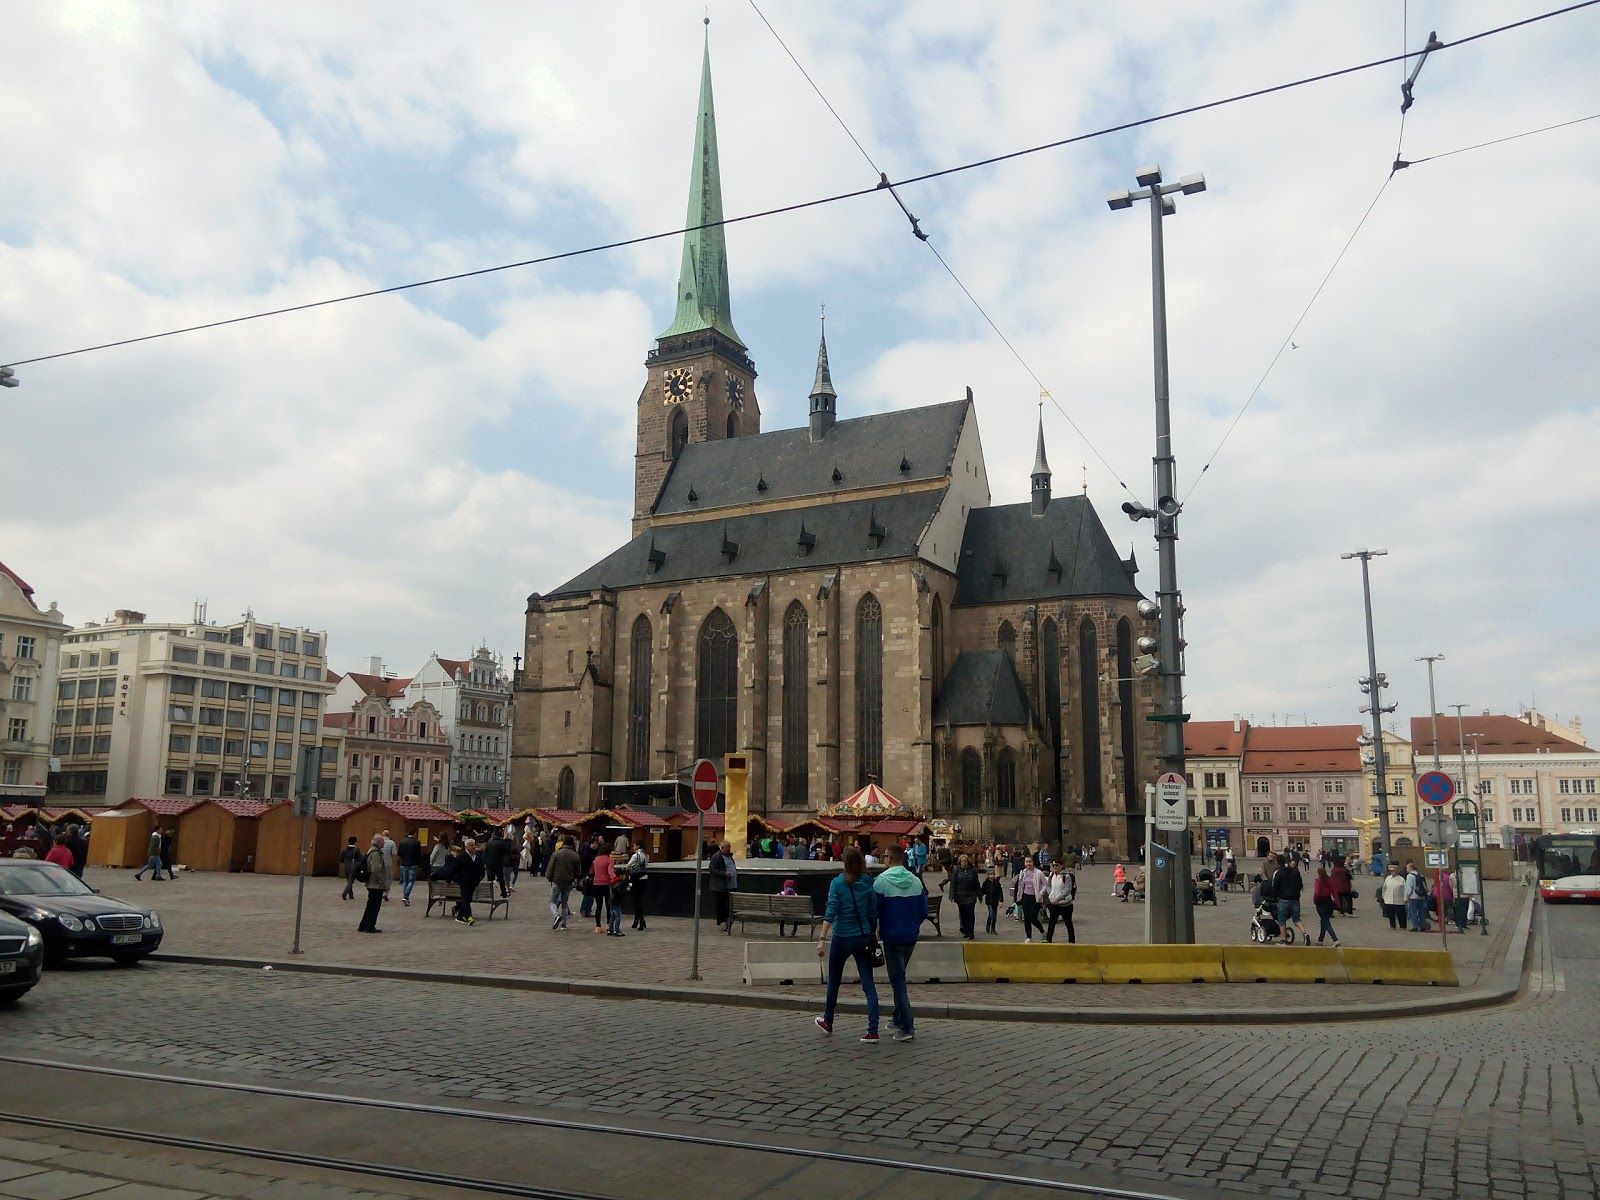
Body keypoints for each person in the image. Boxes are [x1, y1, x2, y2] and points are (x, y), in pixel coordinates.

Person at [815, 846, 880, 1043]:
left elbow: (831, 910)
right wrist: (871, 931)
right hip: (862, 937)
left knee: (834, 981)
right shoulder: (869, 882)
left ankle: (828, 1020)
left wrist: (822, 938)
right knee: (868, 983)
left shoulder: (837, 883)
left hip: (842, 936)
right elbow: (872, 912)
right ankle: (873, 1029)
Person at [873, 846, 928, 1043]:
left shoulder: (881, 881)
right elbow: (923, 910)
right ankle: (897, 1018)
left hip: (891, 936)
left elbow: (874, 910)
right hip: (910, 936)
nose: (883, 858)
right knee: (899, 976)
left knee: (898, 981)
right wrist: (912, 924)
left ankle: (907, 1026)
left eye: (885, 855)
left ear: (890, 858)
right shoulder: (915, 880)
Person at [546, 836, 581, 930]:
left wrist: (549, 877)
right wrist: (575, 879)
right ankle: (564, 924)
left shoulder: (557, 853)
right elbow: (578, 871)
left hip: (557, 880)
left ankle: (556, 915)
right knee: (564, 903)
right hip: (569, 881)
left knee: (552, 901)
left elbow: (550, 867)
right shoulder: (575, 855)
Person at [1273, 853, 1309, 945]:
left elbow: (1275, 887)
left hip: (1284, 899)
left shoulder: (1279, 873)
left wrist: (1275, 896)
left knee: (1281, 920)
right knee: (1297, 919)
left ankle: (1284, 940)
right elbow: (1300, 884)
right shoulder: (1295, 872)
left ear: (1277, 863)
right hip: (1295, 899)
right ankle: (1305, 934)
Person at [357, 834, 388, 933]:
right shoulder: (375, 853)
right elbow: (376, 869)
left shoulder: (372, 851)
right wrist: (382, 881)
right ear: (378, 842)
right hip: (375, 884)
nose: (384, 843)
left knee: (370, 905)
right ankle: (370, 926)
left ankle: (363, 925)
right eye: (383, 841)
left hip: (372, 883)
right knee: (374, 906)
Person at [946, 854, 981, 940]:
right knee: (963, 914)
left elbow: (977, 884)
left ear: (968, 862)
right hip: (960, 896)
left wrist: (979, 895)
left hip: (971, 896)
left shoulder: (973, 871)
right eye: (962, 861)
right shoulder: (957, 871)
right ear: (960, 862)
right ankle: (965, 930)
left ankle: (970, 931)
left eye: (965, 861)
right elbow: (953, 883)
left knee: (970, 913)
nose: (964, 863)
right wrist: (951, 895)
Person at [1014, 854, 1047, 943]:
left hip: (1035, 897)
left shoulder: (1038, 873)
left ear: (1033, 862)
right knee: (1027, 918)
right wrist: (1018, 897)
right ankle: (1029, 937)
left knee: (1033, 917)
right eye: (1027, 862)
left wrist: (1041, 893)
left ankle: (1043, 931)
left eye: (1030, 862)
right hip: (1025, 897)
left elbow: (1046, 884)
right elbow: (1020, 885)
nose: (1028, 864)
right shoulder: (1023, 872)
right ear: (1024, 863)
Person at [1044, 859, 1077, 944]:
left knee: (1068, 922)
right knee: (1052, 922)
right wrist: (1050, 894)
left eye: (1057, 865)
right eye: (1053, 865)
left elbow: (1067, 890)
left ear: (1061, 866)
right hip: (1054, 903)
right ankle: (1048, 939)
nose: (1055, 867)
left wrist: (1058, 899)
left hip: (1065, 904)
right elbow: (1048, 886)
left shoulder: (1066, 876)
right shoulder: (1052, 875)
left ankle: (1071, 941)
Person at [591, 843, 621, 935]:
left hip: (596, 884)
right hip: (606, 884)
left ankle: (598, 927)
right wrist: (616, 879)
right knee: (609, 906)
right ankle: (609, 925)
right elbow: (610, 872)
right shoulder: (610, 860)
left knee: (598, 906)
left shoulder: (595, 859)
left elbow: (592, 871)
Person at [453, 839, 485, 926]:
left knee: (468, 899)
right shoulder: (462, 856)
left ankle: (459, 915)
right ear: (466, 847)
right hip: (464, 882)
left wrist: (480, 877)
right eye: (471, 845)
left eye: (474, 845)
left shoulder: (478, 857)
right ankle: (469, 916)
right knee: (466, 899)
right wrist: (458, 879)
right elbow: (455, 869)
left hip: (474, 882)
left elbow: (482, 869)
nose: (473, 846)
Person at [709, 839, 737, 930]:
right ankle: (721, 922)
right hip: (721, 887)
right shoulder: (716, 857)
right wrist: (724, 874)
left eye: (730, 847)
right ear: (722, 848)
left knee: (728, 905)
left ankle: (727, 922)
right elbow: (712, 870)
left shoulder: (729, 856)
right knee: (721, 905)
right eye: (727, 848)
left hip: (731, 886)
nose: (729, 849)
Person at [1312, 867, 1341, 946]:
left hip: (1320, 902)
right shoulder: (1330, 880)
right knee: (1324, 920)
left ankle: (1335, 939)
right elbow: (1334, 893)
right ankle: (1320, 939)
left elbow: (1317, 893)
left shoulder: (1318, 881)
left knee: (1326, 922)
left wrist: (1314, 900)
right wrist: (1338, 903)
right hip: (1328, 901)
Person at [626, 842, 650, 930]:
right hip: (644, 879)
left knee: (635, 901)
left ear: (638, 846)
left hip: (635, 880)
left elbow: (628, 866)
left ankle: (640, 920)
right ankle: (638, 920)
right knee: (639, 900)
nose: (633, 847)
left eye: (634, 845)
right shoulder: (646, 855)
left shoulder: (636, 855)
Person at [396, 830, 423, 907]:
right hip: (413, 863)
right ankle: (406, 897)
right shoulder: (417, 842)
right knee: (411, 881)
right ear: (414, 834)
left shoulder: (402, 841)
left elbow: (399, 853)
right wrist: (419, 864)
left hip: (404, 863)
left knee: (405, 881)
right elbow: (418, 854)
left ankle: (405, 897)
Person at [1404, 860, 1431, 933]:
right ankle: (1422, 926)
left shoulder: (1410, 876)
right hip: (1421, 896)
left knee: (1413, 912)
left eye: (1407, 868)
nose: (1407, 870)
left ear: (1411, 868)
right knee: (1421, 912)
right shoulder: (1420, 874)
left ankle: (1415, 926)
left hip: (1413, 896)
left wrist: (1407, 897)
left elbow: (1409, 888)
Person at [1381, 862, 1408, 929]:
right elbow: (1384, 888)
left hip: (1399, 900)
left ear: (1397, 871)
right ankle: (1393, 925)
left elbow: (1405, 889)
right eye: (1391, 871)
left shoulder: (1401, 879)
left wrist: (1405, 898)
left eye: (1394, 871)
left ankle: (1403, 926)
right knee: (1391, 914)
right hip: (1389, 899)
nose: (1392, 872)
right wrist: (1384, 897)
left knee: (1401, 914)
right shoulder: (1388, 878)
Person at [980, 869, 1003, 934]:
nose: (992, 876)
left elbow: (1000, 892)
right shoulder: (985, 883)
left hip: (995, 902)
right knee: (991, 914)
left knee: (995, 916)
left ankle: (993, 928)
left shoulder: (997, 883)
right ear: (988, 875)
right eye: (990, 874)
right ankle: (988, 925)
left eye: (993, 874)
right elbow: (982, 891)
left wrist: (1001, 901)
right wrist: (979, 896)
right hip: (989, 901)